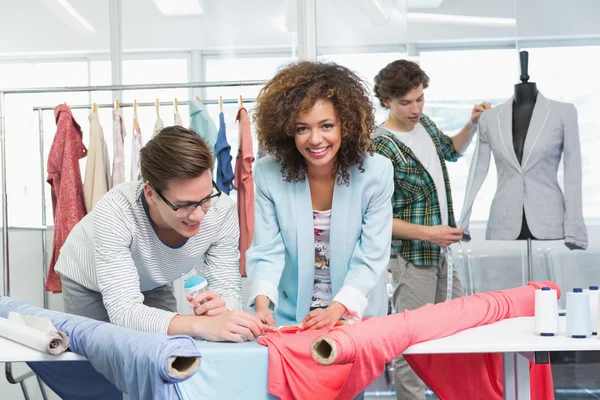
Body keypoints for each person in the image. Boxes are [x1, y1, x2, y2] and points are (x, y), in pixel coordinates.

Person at [55, 125, 264, 342]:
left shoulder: (222, 210)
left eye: (205, 199)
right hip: (88, 279)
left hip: (153, 280)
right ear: (150, 194)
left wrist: (221, 309)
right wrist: (201, 325)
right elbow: (124, 311)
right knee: (98, 354)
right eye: (184, 205)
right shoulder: (116, 211)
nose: (199, 216)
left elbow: (228, 289)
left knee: (169, 354)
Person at [246, 60, 395, 335]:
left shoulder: (376, 173)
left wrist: (335, 311)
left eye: (326, 126)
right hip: (290, 315)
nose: (315, 139)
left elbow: (372, 256)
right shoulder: (269, 174)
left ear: (346, 125)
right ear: (287, 130)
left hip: (353, 316)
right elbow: (266, 251)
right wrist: (262, 305)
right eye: (302, 128)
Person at [372, 59, 490, 400]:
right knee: (413, 341)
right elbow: (376, 218)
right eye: (405, 102)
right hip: (412, 257)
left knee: (454, 330)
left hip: (442, 252)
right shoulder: (379, 146)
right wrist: (430, 234)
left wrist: (471, 124)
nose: (415, 108)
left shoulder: (424, 125)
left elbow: (451, 150)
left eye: (420, 99)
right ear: (386, 102)